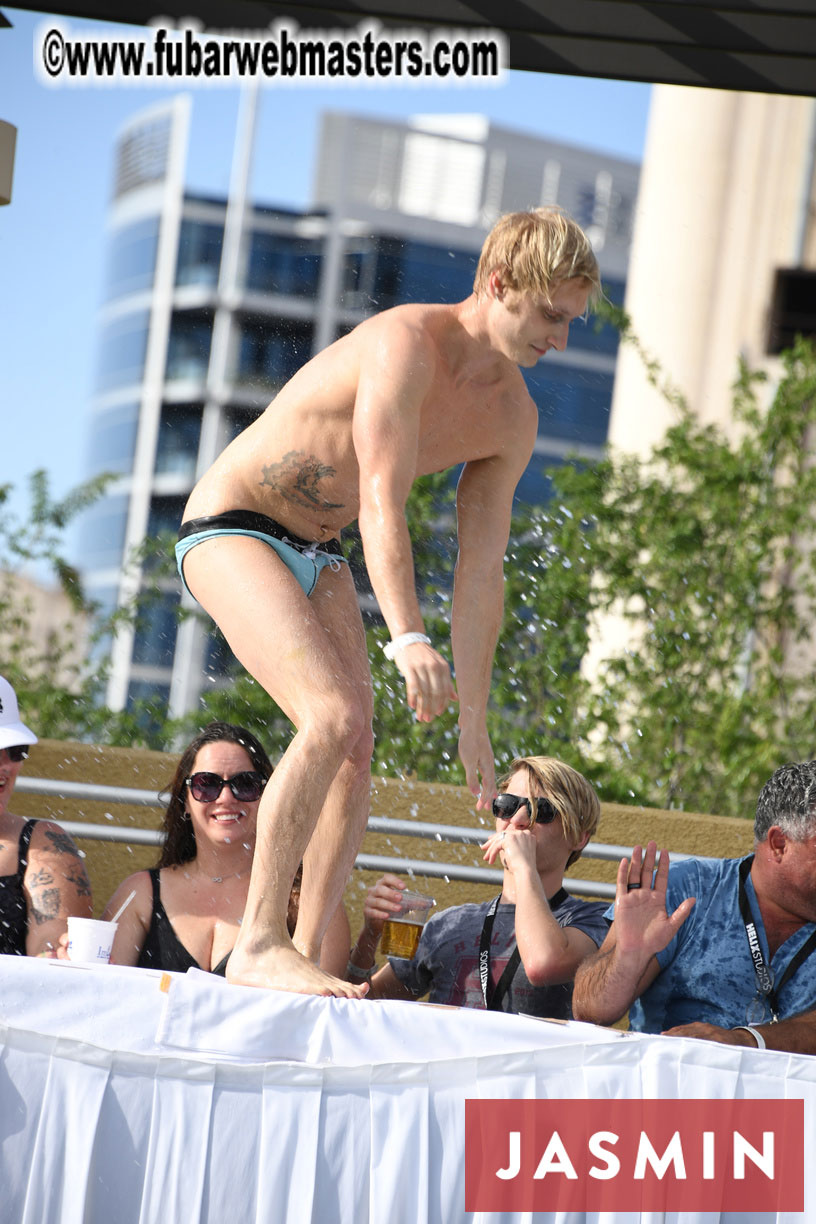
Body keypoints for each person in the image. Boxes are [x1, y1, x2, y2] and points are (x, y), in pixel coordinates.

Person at [176, 207, 602, 995]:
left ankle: (303, 950)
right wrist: (406, 635)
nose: (561, 339)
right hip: (234, 523)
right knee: (330, 714)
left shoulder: (514, 416)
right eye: (550, 315)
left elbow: (482, 570)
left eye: (571, 321)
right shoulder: (405, 344)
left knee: (356, 741)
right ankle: (259, 940)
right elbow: (381, 497)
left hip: (318, 548)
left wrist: (474, 716)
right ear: (499, 282)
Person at [571, 761, 816, 1045]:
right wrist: (626, 960)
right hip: (671, 1084)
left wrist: (746, 1041)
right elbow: (589, 1010)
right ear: (779, 844)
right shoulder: (686, 889)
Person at [346, 756, 609, 1016]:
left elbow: (544, 963)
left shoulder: (592, 921)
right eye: (508, 805)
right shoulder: (448, 924)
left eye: (540, 810)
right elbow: (361, 1005)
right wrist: (370, 935)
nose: (517, 820)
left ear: (578, 837)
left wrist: (524, 868)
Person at [103, 721, 350, 975]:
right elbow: (102, 991)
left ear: (269, 797)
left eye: (245, 783)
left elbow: (324, 1006)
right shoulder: (140, 895)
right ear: (185, 801)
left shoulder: (308, 900)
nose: (225, 797)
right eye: (206, 784)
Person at [0, 674, 93, 956]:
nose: (6, 766)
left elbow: (50, 962)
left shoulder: (42, 845)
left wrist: (56, 954)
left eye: (16, 751)